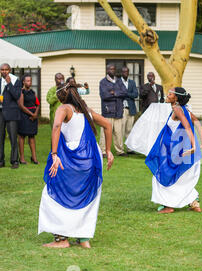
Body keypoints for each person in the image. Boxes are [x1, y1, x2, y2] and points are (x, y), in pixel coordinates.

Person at [38, 83, 114, 248]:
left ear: (61, 97)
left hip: (70, 159)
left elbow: (57, 126)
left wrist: (54, 154)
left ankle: (61, 239)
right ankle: (83, 238)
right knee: (86, 198)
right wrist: (108, 151)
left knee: (53, 196)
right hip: (91, 160)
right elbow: (108, 125)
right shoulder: (86, 110)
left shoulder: (64, 108)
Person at [145, 87, 202, 214]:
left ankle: (167, 205)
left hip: (176, 150)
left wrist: (194, 145)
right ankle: (194, 201)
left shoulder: (177, 109)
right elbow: (196, 122)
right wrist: (201, 141)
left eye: (170, 94)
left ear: (176, 98)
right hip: (174, 149)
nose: (167, 95)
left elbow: (188, 126)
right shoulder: (183, 109)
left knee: (161, 177)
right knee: (180, 178)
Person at [98, 64, 128, 157]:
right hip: (108, 111)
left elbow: (125, 92)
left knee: (118, 133)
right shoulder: (103, 82)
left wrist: (114, 92)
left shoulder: (119, 81)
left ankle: (120, 151)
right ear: (107, 70)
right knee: (104, 132)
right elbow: (104, 96)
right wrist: (118, 94)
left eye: (114, 69)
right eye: (111, 69)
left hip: (118, 111)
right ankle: (103, 151)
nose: (113, 70)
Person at [0, 63, 21, 169]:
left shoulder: (15, 80)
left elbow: (17, 95)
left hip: (12, 113)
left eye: (6, 69)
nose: (4, 71)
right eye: (2, 69)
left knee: (13, 137)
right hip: (0, 112)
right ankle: (1, 161)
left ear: (10, 70)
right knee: (0, 137)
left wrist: (9, 84)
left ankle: (14, 161)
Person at [18, 74, 40, 165]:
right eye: (27, 81)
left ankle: (34, 158)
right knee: (22, 136)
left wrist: (35, 114)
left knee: (32, 136)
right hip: (24, 116)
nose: (29, 82)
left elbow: (37, 104)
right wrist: (32, 114)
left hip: (33, 117)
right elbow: (21, 106)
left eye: (30, 81)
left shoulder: (33, 92)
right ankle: (22, 158)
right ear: (23, 82)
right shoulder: (21, 92)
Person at [120, 66, 139, 151]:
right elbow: (118, 94)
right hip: (121, 109)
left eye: (127, 72)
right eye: (124, 72)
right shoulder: (118, 82)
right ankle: (120, 149)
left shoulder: (132, 82)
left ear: (128, 73)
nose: (125, 73)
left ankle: (129, 149)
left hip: (131, 108)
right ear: (121, 73)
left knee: (129, 130)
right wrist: (128, 94)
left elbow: (135, 94)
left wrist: (126, 94)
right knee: (121, 130)